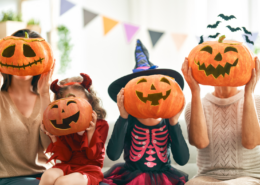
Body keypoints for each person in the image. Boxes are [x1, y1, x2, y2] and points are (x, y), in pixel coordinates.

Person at [102, 40, 189, 185]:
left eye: (158, 85)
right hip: (130, 177)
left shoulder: (168, 121)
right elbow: (113, 154)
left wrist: (173, 123)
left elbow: (182, 160)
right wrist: (123, 117)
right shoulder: (129, 121)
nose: (151, 90)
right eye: (142, 85)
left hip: (165, 177)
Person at [182, 56, 260, 185]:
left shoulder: (256, 101)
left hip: (249, 177)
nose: (220, 62)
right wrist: (195, 91)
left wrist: (249, 92)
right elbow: (200, 143)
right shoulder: (193, 106)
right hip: (206, 178)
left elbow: (250, 142)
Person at [0, 29, 54, 185]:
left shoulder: (48, 99)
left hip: (43, 175)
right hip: (7, 178)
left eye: (30, 53)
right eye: (12, 52)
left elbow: (50, 148)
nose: (20, 59)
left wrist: (44, 94)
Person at [39, 73, 109, 185]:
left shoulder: (101, 124)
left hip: (89, 169)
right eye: (68, 103)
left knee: (63, 182)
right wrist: (54, 137)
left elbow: (93, 157)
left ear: (89, 101)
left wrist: (90, 132)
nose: (74, 108)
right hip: (67, 165)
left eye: (78, 101)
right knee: (48, 175)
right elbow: (65, 157)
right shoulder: (64, 127)